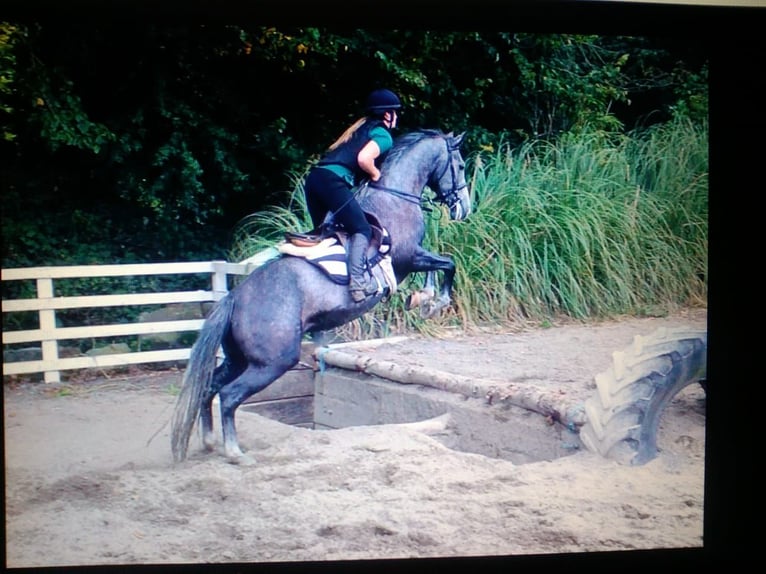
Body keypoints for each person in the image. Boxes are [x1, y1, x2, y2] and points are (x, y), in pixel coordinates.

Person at [303, 88, 401, 302]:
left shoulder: (358, 129)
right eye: (395, 112)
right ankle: (357, 283)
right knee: (361, 229)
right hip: (332, 182)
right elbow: (364, 160)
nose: (396, 116)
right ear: (387, 114)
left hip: (314, 179)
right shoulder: (383, 134)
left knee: (324, 233)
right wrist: (375, 174)